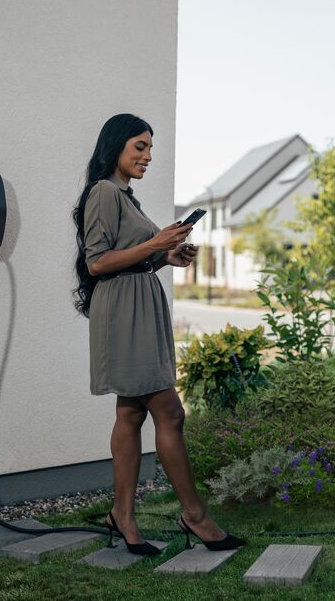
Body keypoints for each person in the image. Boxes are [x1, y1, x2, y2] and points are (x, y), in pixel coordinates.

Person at [72, 113, 245, 553]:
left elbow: (130, 257)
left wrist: (166, 257)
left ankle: (122, 516)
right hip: (122, 313)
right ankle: (196, 517)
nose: (148, 156)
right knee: (169, 412)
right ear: (116, 147)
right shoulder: (104, 193)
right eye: (140, 147)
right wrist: (156, 243)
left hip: (137, 307)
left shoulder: (128, 198)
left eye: (150, 148)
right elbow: (97, 262)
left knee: (131, 414)